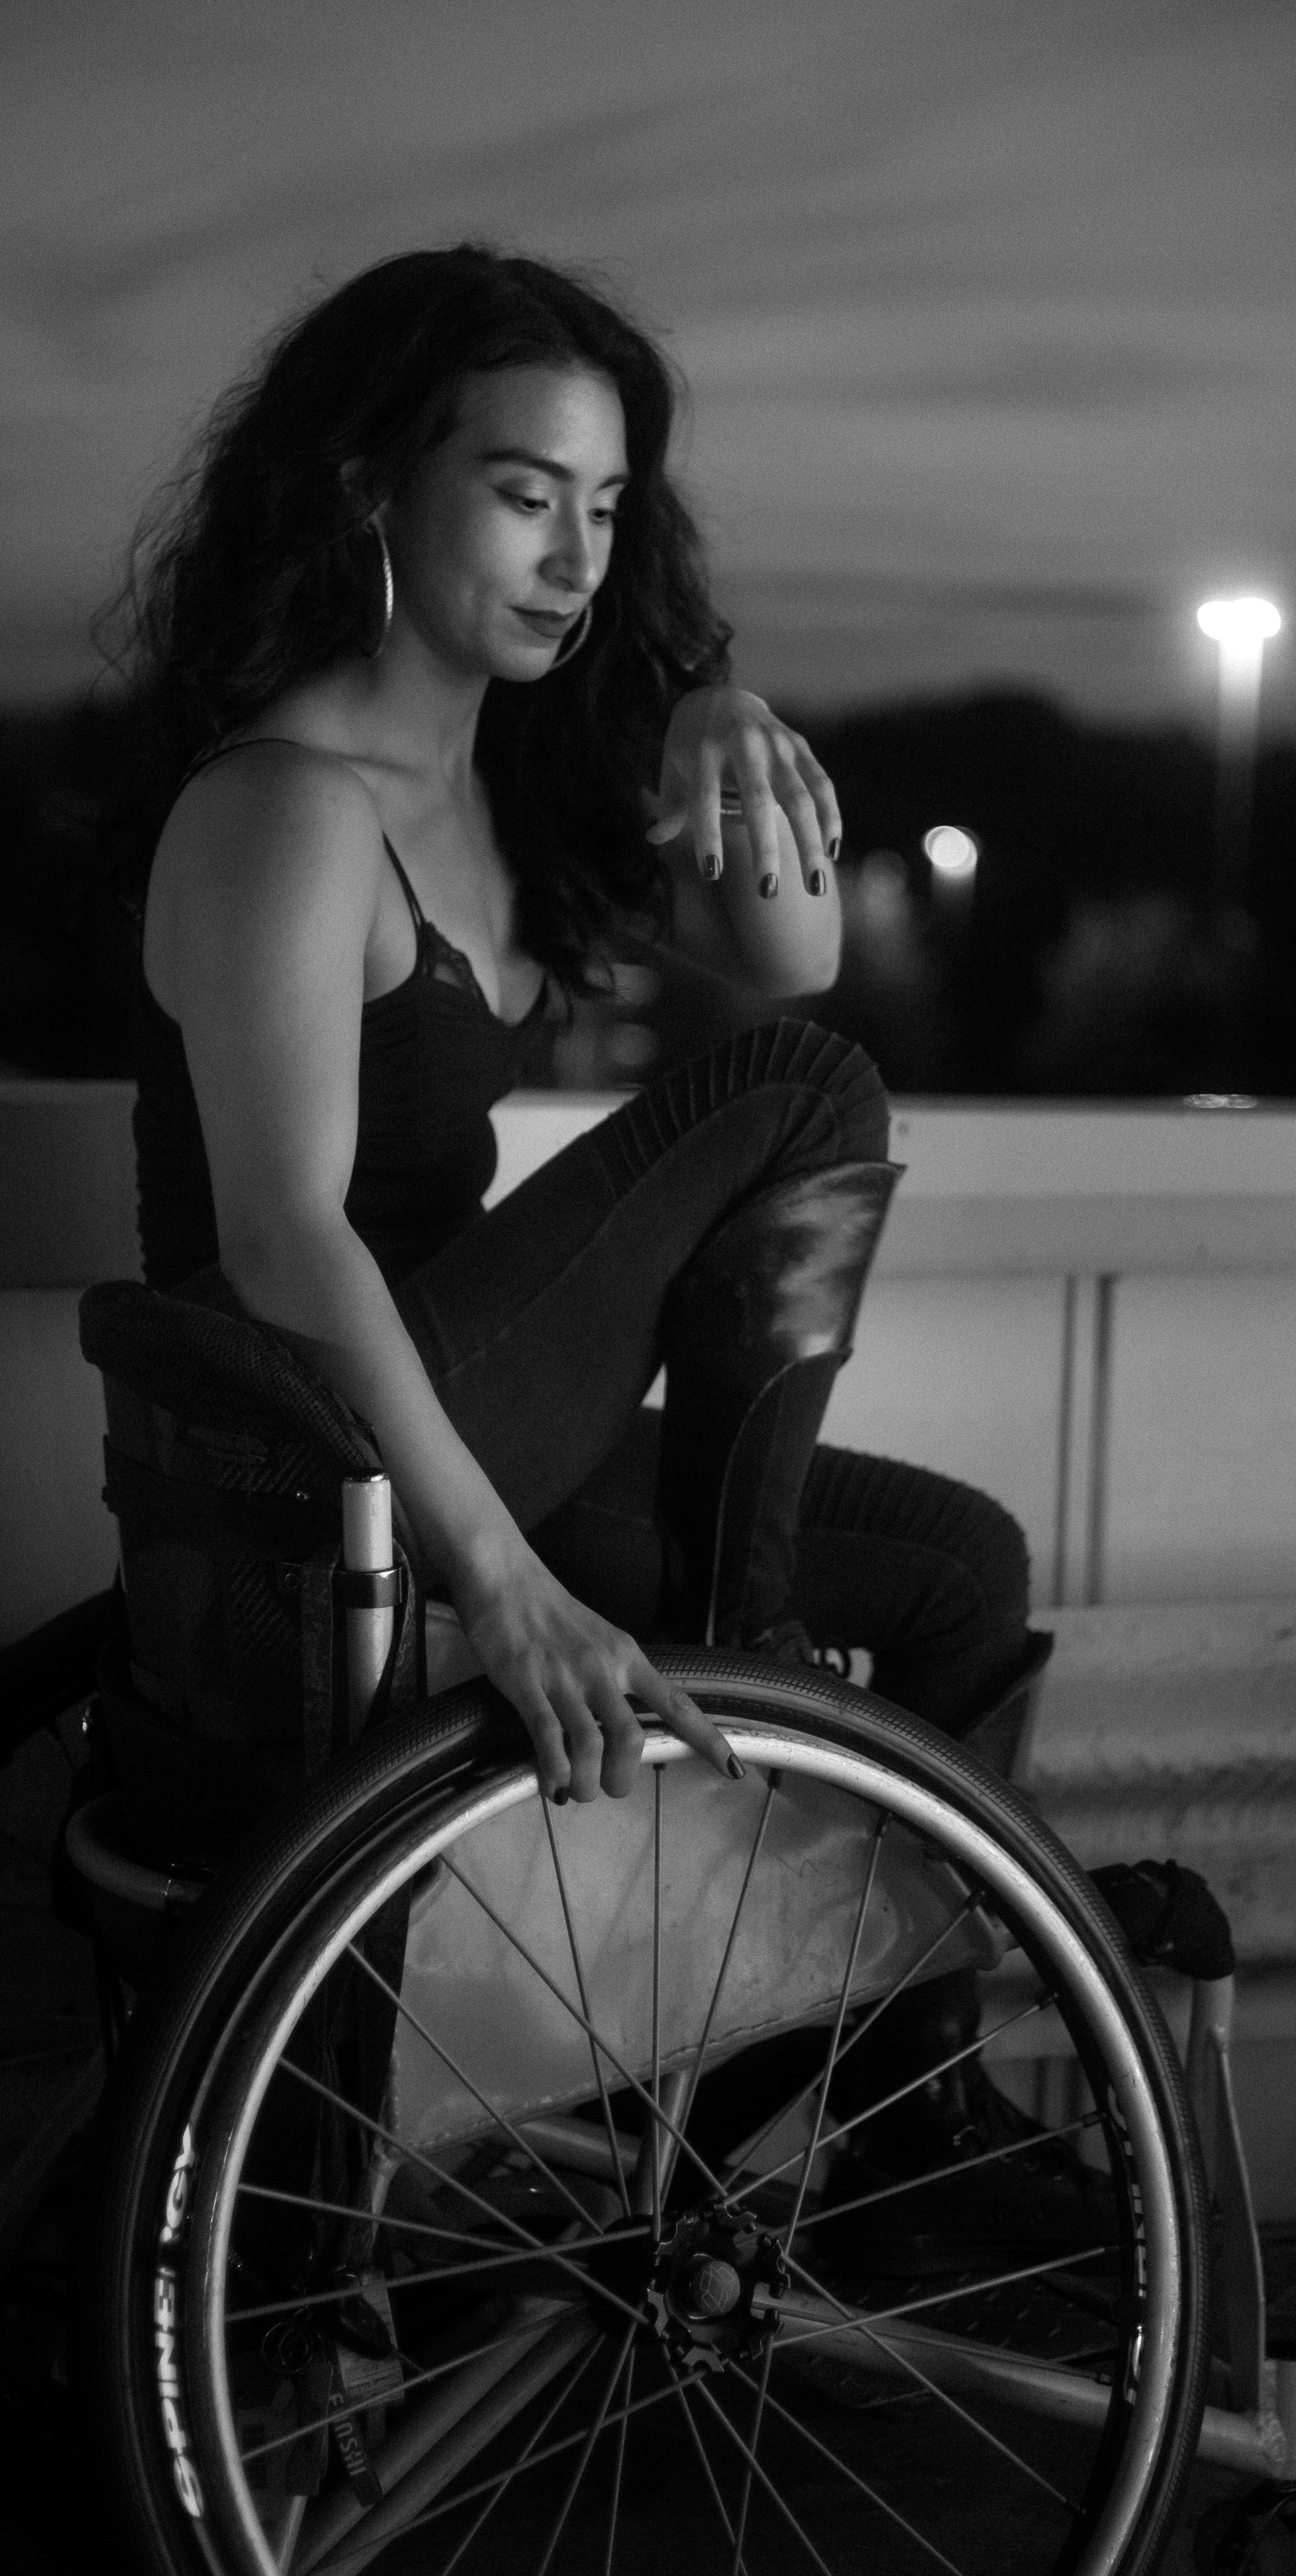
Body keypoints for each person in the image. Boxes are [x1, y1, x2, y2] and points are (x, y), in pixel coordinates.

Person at [119, 245, 1065, 2247]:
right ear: (374, 483)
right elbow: (288, 1242)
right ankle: (748, 1718)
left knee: (964, 1573)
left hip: (465, 1400)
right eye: (522, 490)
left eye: (608, 507)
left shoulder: (504, 779)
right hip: (314, 1439)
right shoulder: (287, 809)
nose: (572, 553)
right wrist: (513, 1592)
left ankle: (826, 2087)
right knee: (794, 1094)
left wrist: (714, 702)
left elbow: (792, 943)